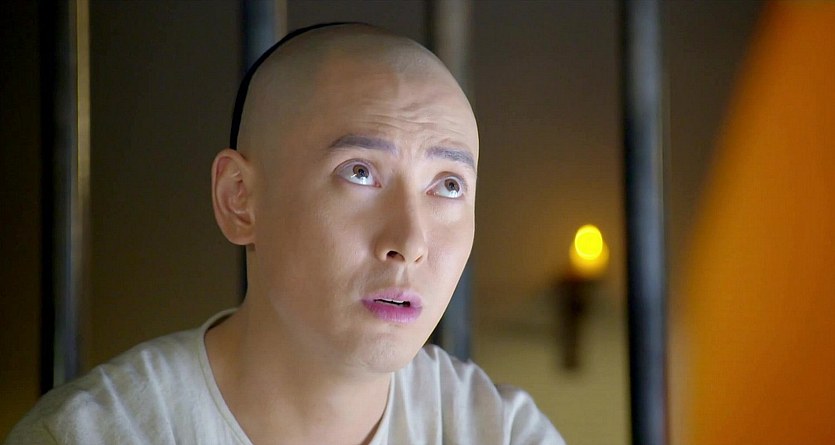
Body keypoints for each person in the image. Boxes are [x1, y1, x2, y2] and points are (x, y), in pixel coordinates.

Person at [6, 23, 564, 444]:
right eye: (360, 172)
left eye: (448, 185)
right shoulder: (95, 433)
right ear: (240, 200)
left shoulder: (500, 431)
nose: (410, 242)